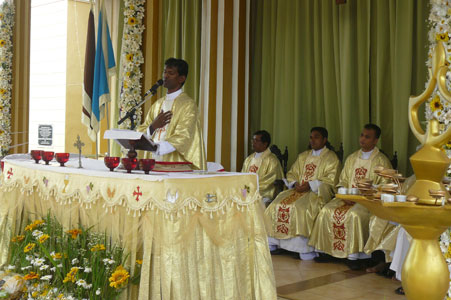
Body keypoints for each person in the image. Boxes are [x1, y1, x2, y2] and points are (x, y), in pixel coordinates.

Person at [309, 124, 392, 269]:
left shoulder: (382, 161)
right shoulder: (352, 158)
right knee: (325, 212)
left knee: (354, 215)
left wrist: (365, 194)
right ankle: (326, 252)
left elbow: (385, 186)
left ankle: (354, 255)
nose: (363, 139)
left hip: (368, 202)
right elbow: (342, 180)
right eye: (362, 135)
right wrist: (345, 194)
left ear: (375, 140)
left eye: (367, 137)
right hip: (346, 198)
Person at [265, 127, 341, 260]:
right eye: (311, 137)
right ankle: (274, 243)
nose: (312, 140)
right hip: (297, 190)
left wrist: (311, 185)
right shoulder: (303, 156)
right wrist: (295, 183)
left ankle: (303, 248)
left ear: (325, 139)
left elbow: (332, 180)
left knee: (299, 208)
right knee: (276, 204)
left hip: (315, 193)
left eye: (316, 137)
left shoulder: (331, 158)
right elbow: (292, 173)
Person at [137, 58, 206, 170]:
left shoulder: (187, 105)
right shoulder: (158, 104)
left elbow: (184, 135)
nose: (165, 76)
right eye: (165, 72)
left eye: (171, 73)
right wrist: (153, 127)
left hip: (175, 165)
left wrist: (157, 148)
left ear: (181, 78)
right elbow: (142, 129)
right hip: (152, 163)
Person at [241, 130, 284, 203]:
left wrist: (251, 187)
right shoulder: (249, 159)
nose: (253, 142)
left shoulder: (272, 160)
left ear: (265, 144)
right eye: (253, 140)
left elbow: (270, 181)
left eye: (256, 140)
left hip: (263, 194)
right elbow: (242, 176)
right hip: (247, 191)